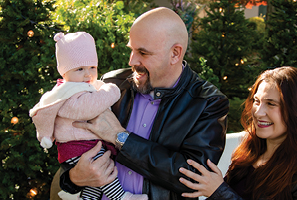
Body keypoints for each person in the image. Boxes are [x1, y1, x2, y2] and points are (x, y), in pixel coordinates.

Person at [57, 7, 229, 200]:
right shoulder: (111, 85)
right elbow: (74, 142)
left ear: (175, 54)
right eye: (132, 49)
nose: (132, 60)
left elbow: (193, 177)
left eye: (143, 53)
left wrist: (119, 137)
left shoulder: (208, 103)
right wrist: (73, 178)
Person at [179, 66, 297, 200]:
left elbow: (221, 193)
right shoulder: (248, 154)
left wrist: (219, 192)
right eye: (257, 101)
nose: (258, 112)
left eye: (271, 104)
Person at [29, 32, 147, 200]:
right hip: (77, 147)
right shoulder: (67, 93)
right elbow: (81, 109)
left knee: (96, 183)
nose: (87, 74)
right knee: (102, 169)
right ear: (64, 72)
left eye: (92, 67)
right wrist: (111, 91)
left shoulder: (86, 86)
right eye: (80, 69)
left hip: (86, 145)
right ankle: (121, 197)